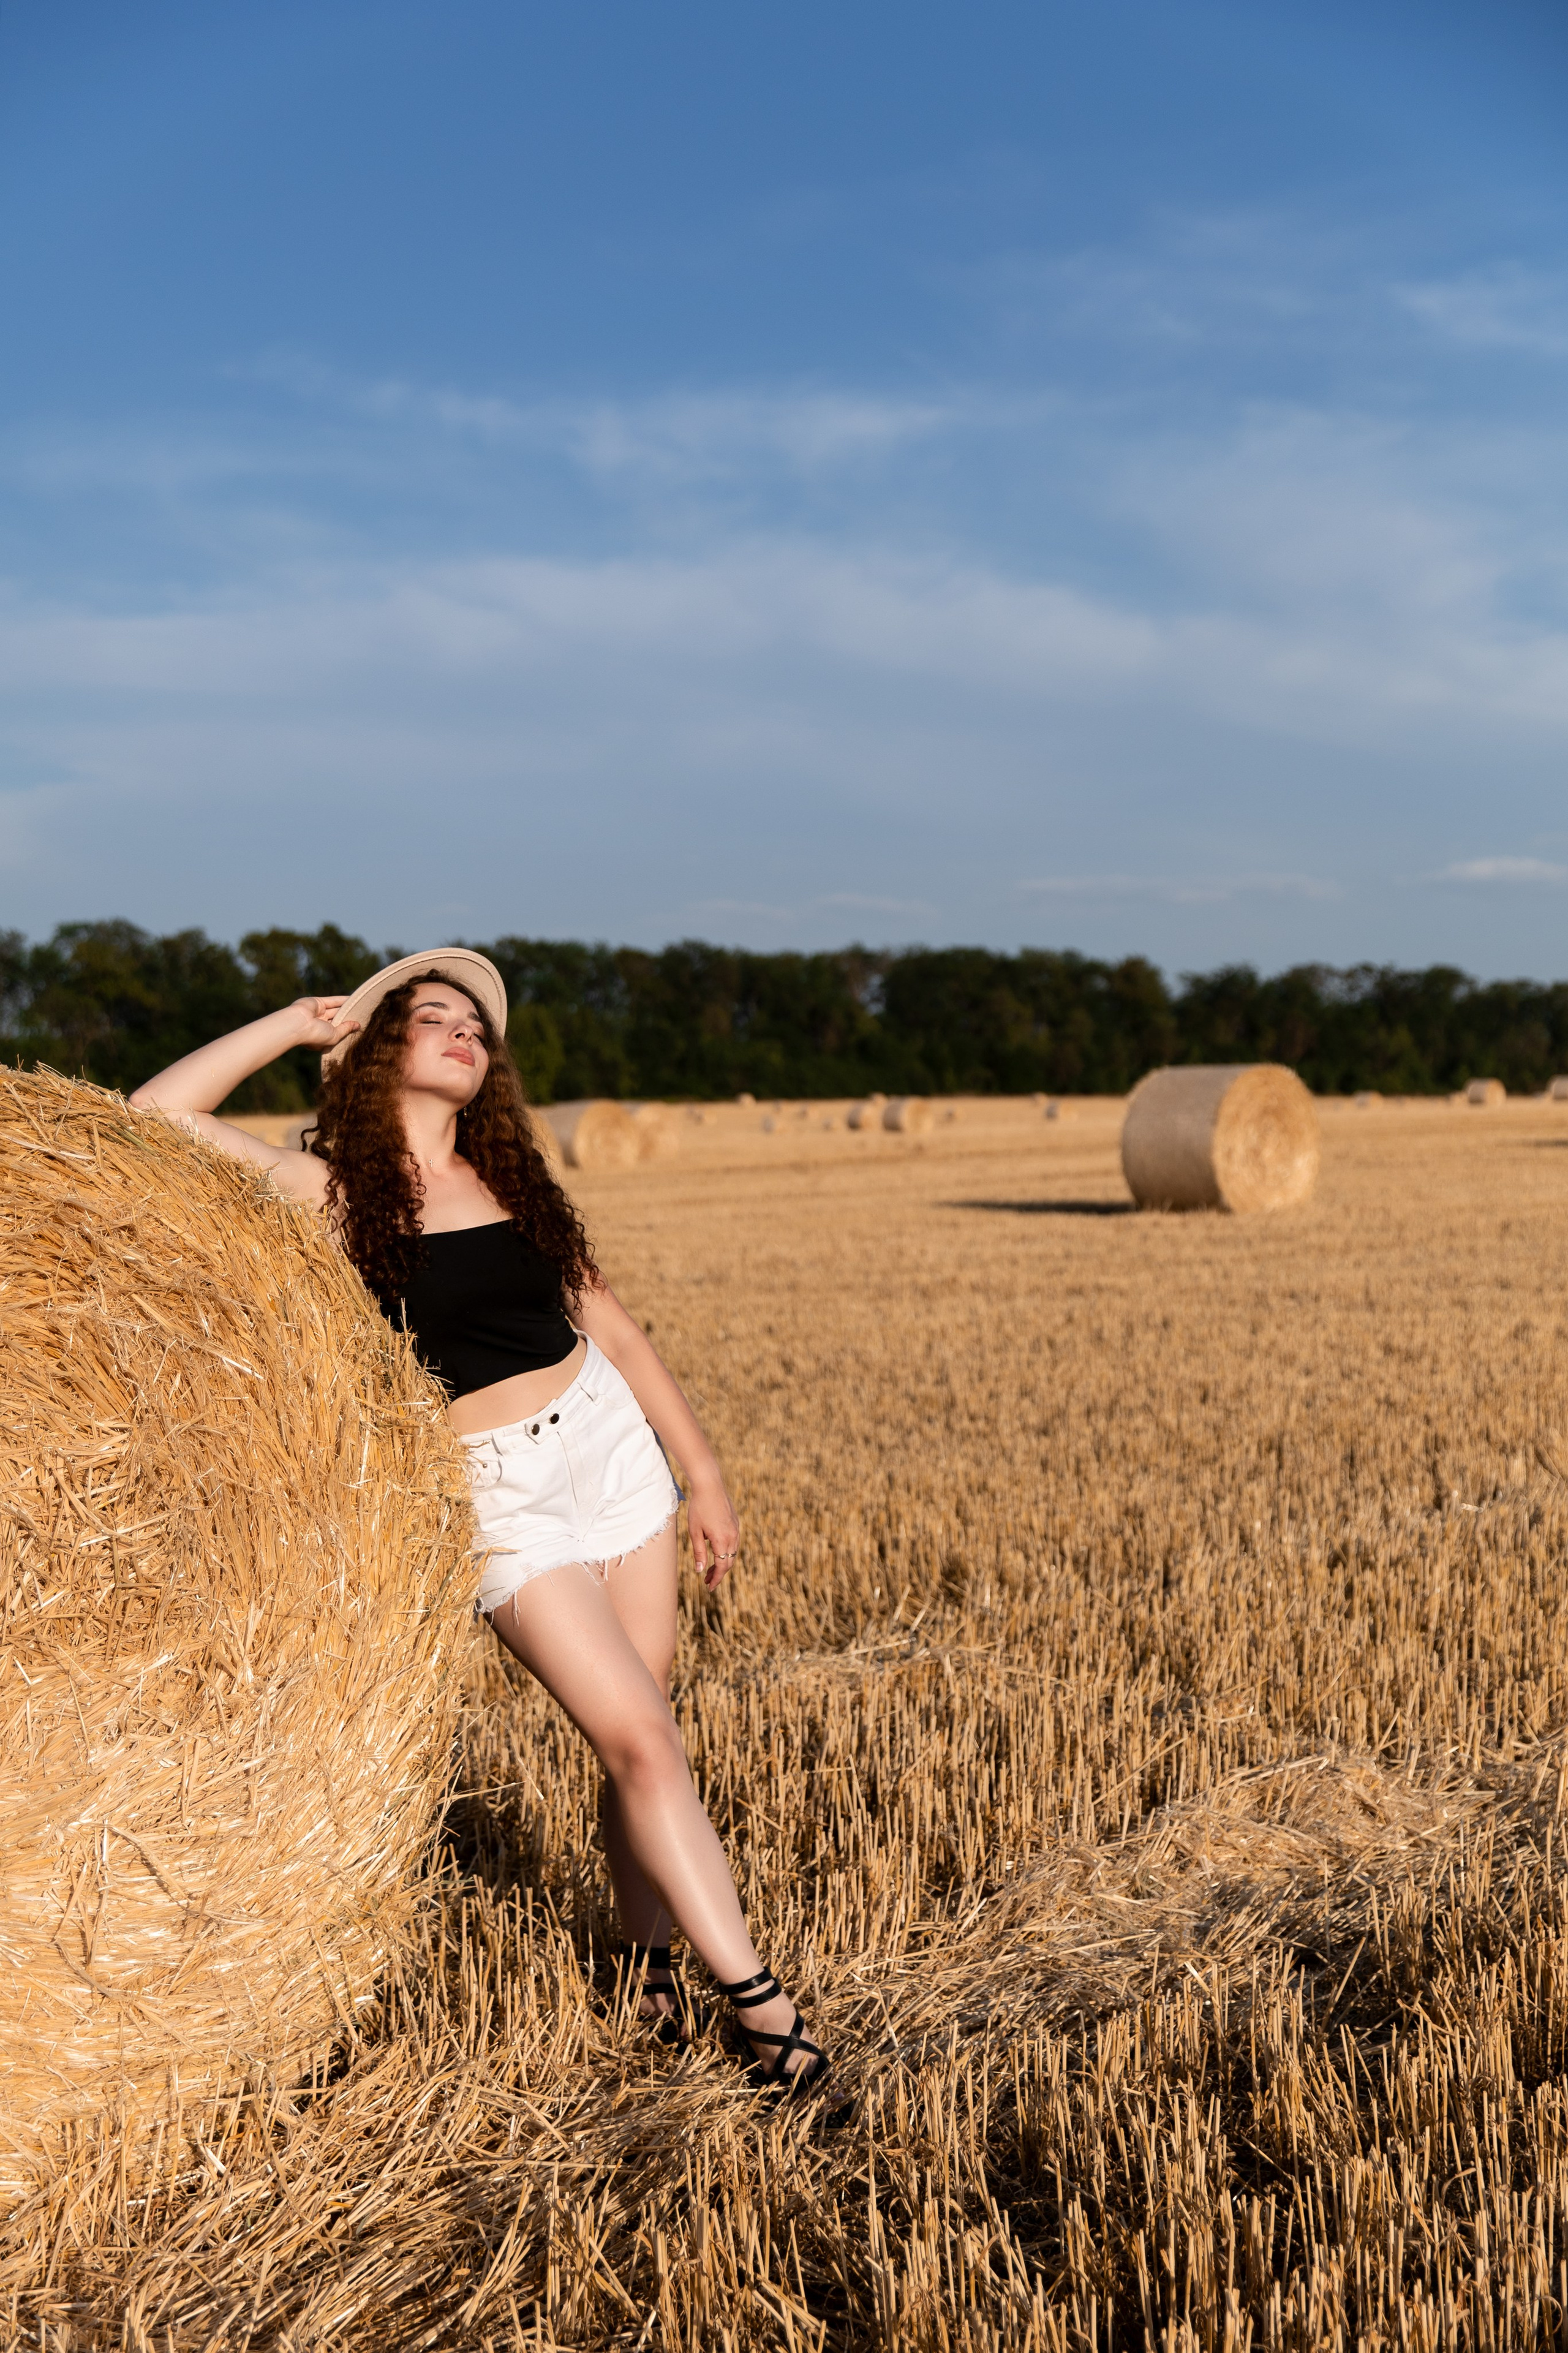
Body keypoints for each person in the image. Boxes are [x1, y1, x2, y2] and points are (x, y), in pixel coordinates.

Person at [129, 949, 834, 2101]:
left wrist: (700, 1472)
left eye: (477, 1026)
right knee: (643, 1743)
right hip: (497, 1493)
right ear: (377, 1052)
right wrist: (297, 1021)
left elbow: (614, 1326)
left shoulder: (516, 1181)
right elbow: (155, 1115)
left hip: (609, 1449)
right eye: (435, 1017)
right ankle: (765, 2009)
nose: (466, 1032)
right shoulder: (328, 1193)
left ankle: (648, 1961)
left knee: (642, 1734)